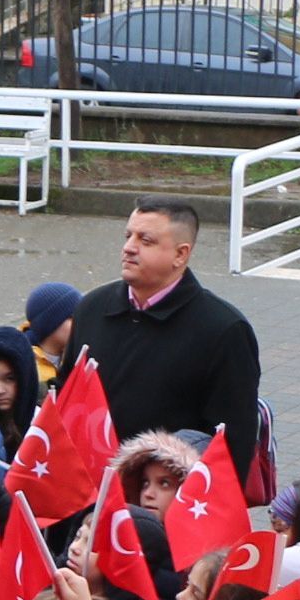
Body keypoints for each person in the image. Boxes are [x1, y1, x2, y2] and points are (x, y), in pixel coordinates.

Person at [71, 199, 263, 477]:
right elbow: (68, 400)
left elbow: (233, 444)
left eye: (145, 240)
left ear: (180, 254)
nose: (129, 247)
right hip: (89, 487)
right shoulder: (92, 308)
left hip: (166, 496)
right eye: (128, 236)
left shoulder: (223, 329)